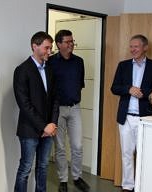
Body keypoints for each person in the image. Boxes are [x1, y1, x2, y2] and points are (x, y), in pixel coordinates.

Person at [111, 34, 152, 192]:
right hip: (125, 118)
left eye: (136, 46)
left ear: (145, 47)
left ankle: (142, 185)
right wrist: (128, 89)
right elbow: (114, 88)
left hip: (145, 118)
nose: (132, 49)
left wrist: (143, 92)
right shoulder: (123, 65)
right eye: (131, 46)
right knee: (127, 154)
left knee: (144, 154)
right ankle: (127, 186)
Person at [13, 31, 59, 192]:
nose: (49, 51)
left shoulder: (50, 70)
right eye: (46, 47)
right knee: (25, 169)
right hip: (29, 129)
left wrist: (52, 123)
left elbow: (55, 99)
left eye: (50, 47)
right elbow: (24, 104)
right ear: (35, 46)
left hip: (49, 129)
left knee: (43, 167)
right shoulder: (22, 70)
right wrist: (43, 126)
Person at [48, 29, 89, 192]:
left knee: (77, 145)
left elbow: (80, 83)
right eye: (68, 42)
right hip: (57, 110)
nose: (71, 44)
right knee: (60, 147)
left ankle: (77, 177)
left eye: (72, 41)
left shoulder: (79, 61)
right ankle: (63, 180)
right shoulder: (50, 62)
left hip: (74, 108)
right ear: (58, 44)